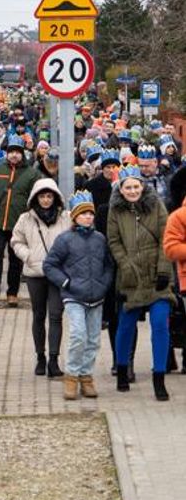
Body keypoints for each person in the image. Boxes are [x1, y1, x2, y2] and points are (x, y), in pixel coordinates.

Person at [108, 167, 174, 400]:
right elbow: (114, 241)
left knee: (160, 325)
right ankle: (123, 370)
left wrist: (164, 270)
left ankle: (159, 377)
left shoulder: (156, 206)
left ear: (142, 186)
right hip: (130, 277)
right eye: (128, 187)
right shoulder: (115, 210)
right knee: (125, 325)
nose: (133, 190)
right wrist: (124, 264)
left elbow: (167, 238)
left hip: (157, 275)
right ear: (121, 189)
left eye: (136, 186)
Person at [44, 192, 115, 401]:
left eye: (90, 214)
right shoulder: (65, 239)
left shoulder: (100, 239)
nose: (88, 217)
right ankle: (72, 376)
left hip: (96, 296)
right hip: (74, 295)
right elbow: (50, 264)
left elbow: (108, 265)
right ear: (74, 216)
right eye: (83, 214)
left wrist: (104, 283)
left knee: (93, 339)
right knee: (78, 335)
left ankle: (86, 376)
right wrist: (66, 282)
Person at [10, 178, 69, 378]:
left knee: (56, 315)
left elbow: (71, 241)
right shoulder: (25, 219)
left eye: (49, 196)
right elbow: (16, 241)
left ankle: (54, 358)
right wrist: (29, 256)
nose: (45, 200)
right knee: (38, 315)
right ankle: (40, 356)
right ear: (36, 198)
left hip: (58, 274)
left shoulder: (65, 218)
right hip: (35, 273)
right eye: (42, 196)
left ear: (55, 197)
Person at [0, 135, 40, 307]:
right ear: (6, 153)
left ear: (23, 154)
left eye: (17, 152)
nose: (14, 155)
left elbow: (36, 195)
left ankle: (12, 293)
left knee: (16, 260)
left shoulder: (31, 173)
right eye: (11, 151)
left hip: (18, 224)